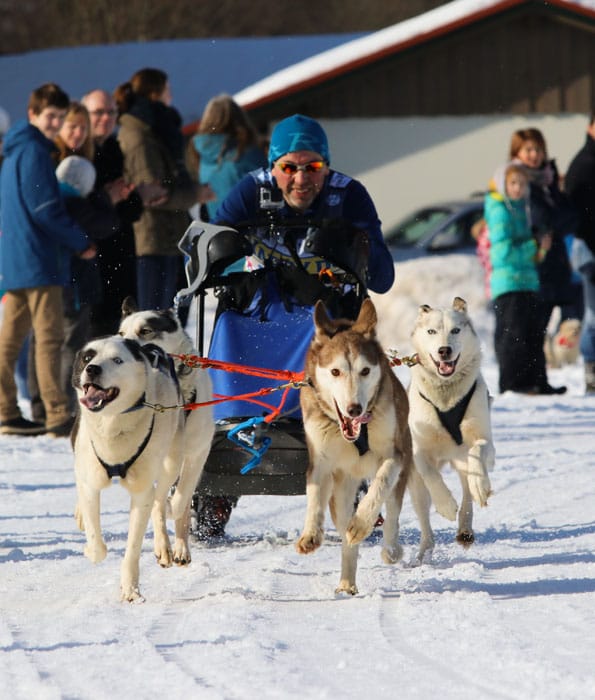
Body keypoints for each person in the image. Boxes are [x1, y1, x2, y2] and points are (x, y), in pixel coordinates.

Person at [193, 113, 395, 539]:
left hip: (326, 313)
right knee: (227, 326)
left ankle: (355, 474)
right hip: (262, 305)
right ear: (274, 167)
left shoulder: (349, 194)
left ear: (326, 166)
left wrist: (353, 249)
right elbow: (202, 253)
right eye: (289, 167)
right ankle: (222, 460)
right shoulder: (252, 190)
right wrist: (226, 259)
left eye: (312, 167)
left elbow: (382, 278)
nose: (300, 178)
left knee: (320, 338)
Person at [0, 83, 95, 437]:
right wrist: (80, 241)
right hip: (39, 260)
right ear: (32, 115)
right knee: (49, 338)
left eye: (59, 116)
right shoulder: (37, 153)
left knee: (9, 342)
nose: (54, 123)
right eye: (49, 116)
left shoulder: (13, 152)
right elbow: (45, 209)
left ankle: (6, 410)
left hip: (15, 259)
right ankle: (57, 415)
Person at [115, 68, 214, 310]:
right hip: (152, 238)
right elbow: (154, 194)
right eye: (167, 90)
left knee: (170, 318)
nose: (171, 97)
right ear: (154, 94)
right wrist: (195, 194)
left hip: (167, 237)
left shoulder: (156, 129)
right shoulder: (140, 135)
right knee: (154, 320)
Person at [81, 88, 167, 335]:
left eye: (110, 112)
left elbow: (131, 210)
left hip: (121, 250)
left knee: (119, 330)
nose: (105, 118)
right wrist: (109, 197)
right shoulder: (78, 154)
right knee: (91, 336)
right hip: (92, 256)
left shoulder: (113, 149)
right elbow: (79, 210)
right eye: (98, 112)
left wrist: (135, 195)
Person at [485, 162, 563, 395]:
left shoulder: (521, 208)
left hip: (526, 279)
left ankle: (537, 381)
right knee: (513, 334)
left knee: (534, 332)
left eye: (522, 183)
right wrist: (533, 246)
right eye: (513, 183)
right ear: (503, 184)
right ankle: (513, 384)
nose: (518, 188)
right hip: (508, 282)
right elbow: (503, 251)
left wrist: (541, 248)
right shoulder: (499, 209)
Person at [509, 128, 580, 331]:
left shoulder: (547, 181)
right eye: (529, 149)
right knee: (530, 332)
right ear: (516, 153)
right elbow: (543, 220)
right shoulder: (518, 184)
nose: (535, 155)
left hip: (555, 265)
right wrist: (551, 223)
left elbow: (570, 216)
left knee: (559, 327)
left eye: (538, 149)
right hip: (532, 267)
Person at [188, 94, 267, 221]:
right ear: (239, 119)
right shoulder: (245, 152)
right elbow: (268, 187)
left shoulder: (202, 156)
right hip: (250, 228)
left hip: (219, 231)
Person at [564, 113, 595, 393]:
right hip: (589, 250)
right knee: (593, 315)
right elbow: (576, 215)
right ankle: (591, 371)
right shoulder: (584, 164)